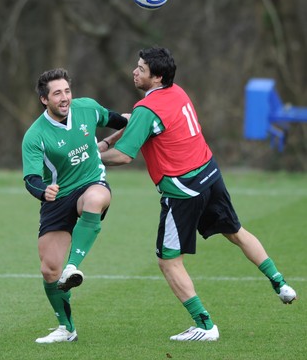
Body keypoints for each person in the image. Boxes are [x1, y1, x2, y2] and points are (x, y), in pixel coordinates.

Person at [100, 47, 297, 341]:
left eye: (141, 68)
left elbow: (124, 156)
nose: (135, 71)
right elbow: (140, 124)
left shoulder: (147, 109)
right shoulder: (176, 92)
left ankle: (205, 326)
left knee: (168, 260)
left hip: (183, 189)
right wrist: (108, 139)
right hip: (209, 174)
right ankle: (281, 284)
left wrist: (89, 157)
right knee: (236, 232)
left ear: (157, 77)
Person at [22, 68, 127, 343]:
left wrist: (142, 119)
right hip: (57, 198)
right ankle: (66, 329)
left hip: (93, 183)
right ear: (45, 99)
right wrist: (43, 191)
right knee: (49, 270)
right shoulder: (35, 136)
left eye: (67, 91)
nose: (65, 97)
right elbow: (31, 178)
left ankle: (74, 266)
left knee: (94, 200)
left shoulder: (88, 108)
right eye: (57, 93)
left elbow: (119, 120)